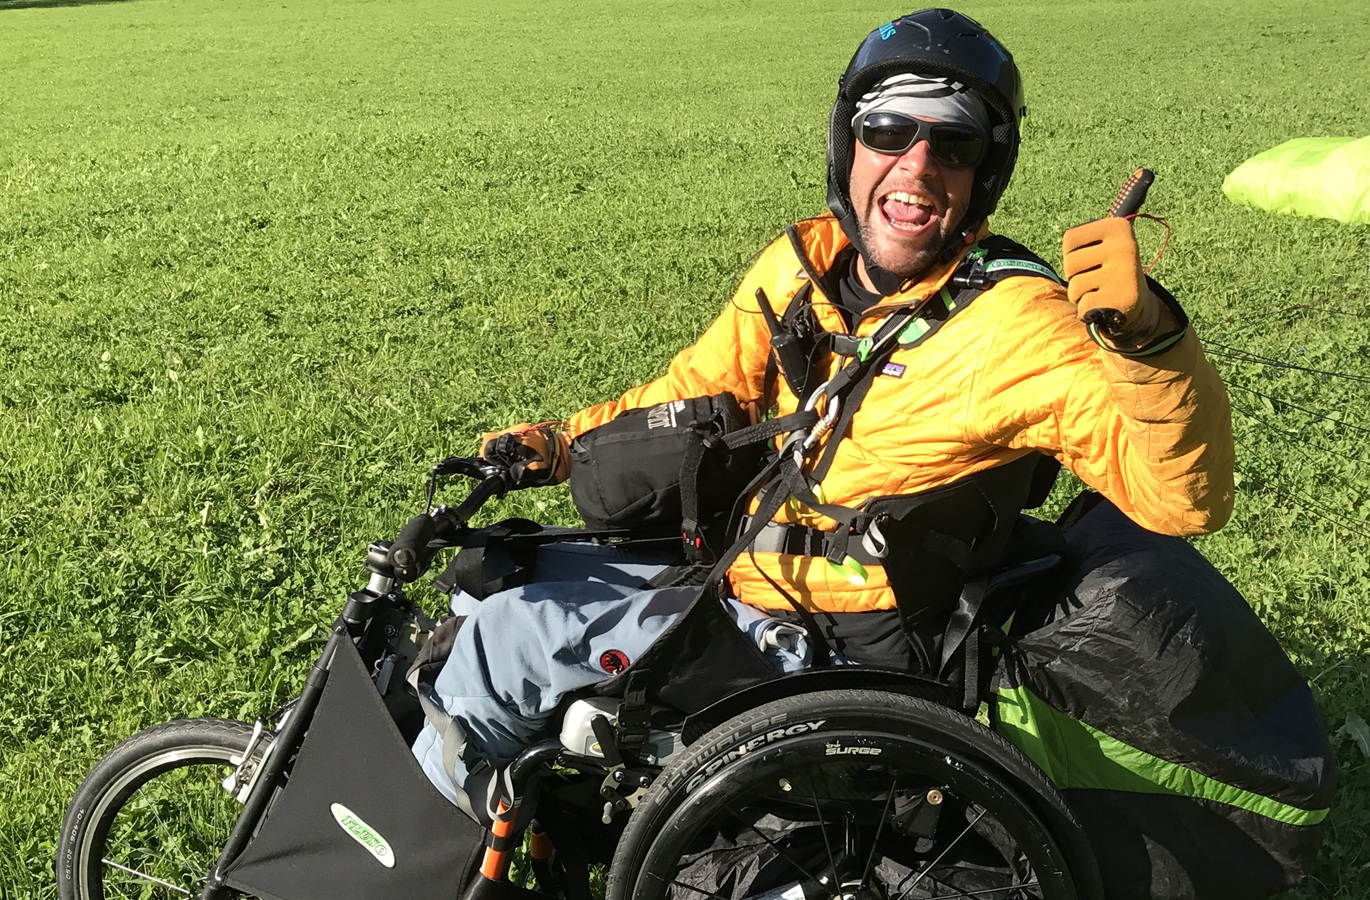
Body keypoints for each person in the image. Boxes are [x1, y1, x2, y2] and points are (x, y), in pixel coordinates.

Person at [411, 7, 1234, 811]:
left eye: (953, 144)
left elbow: (1183, 499)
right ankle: (527, 812)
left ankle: (413, 852)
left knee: (505, 643)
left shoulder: (1016, 325)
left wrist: (1148, 339)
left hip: (830, 647)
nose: (917, 165)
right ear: (850, 145)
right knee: (492, 577)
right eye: (889, 132)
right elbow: (699, 389)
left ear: (984, 173)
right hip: (738, 565)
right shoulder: (804, 266)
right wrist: (562, 445)